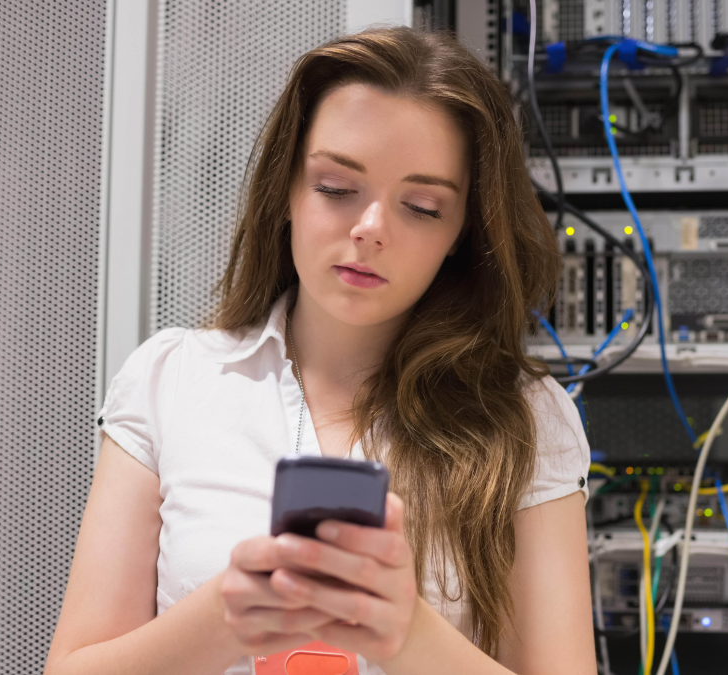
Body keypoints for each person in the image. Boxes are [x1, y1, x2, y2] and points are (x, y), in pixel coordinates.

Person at [45, 27, 595, 675]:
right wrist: (227, 614)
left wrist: (406, 632)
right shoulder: (169, 379)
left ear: (461, 233)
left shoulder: (528, 418)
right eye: (337, 187)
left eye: (421, 206)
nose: (370, 229)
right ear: (286, 189)